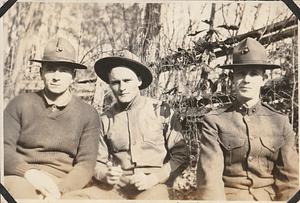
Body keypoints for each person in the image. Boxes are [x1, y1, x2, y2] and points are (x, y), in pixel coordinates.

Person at [196, 37, 298, 201]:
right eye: (241, 74)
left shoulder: (280, 122)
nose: (247, 79)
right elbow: (210, 180)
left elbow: (291, 180)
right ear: (233, 79)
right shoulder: (215, 121)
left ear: (263, 79)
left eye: (254, 74)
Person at [4, 37, 100, 199]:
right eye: (50, 69)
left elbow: (86, 164)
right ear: (41, 72)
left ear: (73, 75)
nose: (56, 76)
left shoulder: (88, 114)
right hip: (22, 177)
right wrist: (29, 172)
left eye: (63, 70)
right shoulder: (20, 104)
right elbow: (3, 149)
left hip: (64, 182)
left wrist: (59, 190)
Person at [91, 50, 189, 200]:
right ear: (110, 85)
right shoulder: (105, 119)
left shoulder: (161, 111)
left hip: (155, 186)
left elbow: (181, 155)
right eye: (115, 82)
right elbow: (96, 162)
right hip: (117, 187)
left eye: (127, 81)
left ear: (139, 81)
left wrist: (155, 178)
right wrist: (106, 175)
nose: (122, 88)